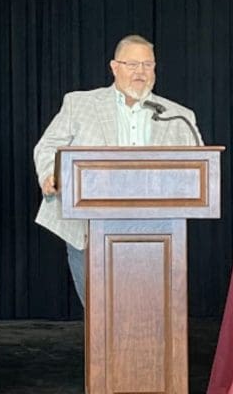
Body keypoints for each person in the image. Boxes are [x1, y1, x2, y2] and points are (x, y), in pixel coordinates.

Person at [33, 34, 204, 307]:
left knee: (150, 312)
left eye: (148, 65)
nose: (141, 72)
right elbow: (48, 146)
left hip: (157, 232)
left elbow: (199, 166)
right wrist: (48, 174)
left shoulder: (178, 115)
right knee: (99, 312)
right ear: (114, 67)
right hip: (89, 227)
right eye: (132, 64)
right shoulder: (80, 104)